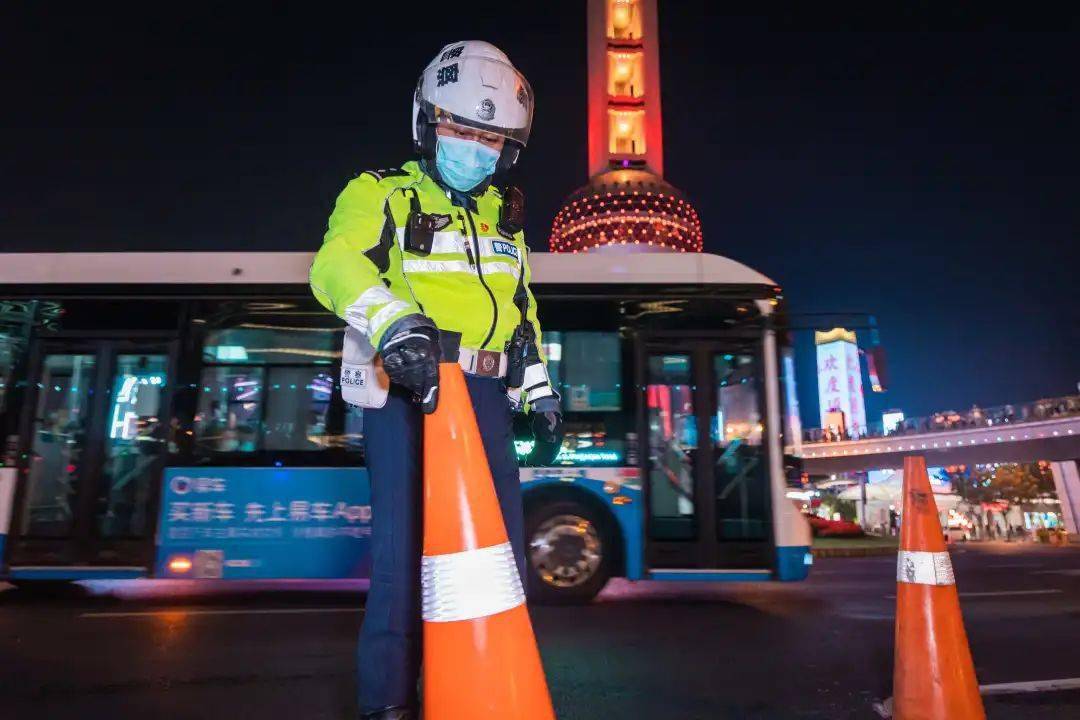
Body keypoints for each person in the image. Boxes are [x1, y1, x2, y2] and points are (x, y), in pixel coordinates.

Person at [309, 41, 563, 720]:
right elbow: (334, 266)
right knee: (400, 565)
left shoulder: (505, 223)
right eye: (460, 128)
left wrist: (538, 390)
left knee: (497, 558)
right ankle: (387, 706)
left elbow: (521, 315)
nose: (475, 147)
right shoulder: (381, 193)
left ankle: (477, 694)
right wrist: (396, 325)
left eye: (491, 137)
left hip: (484, 399)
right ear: (428, 123)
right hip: (407, 390)